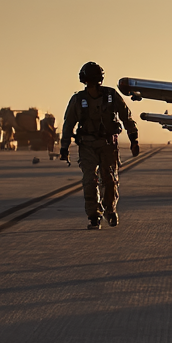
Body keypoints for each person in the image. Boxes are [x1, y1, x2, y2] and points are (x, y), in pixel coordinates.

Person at [60, 62, 139, 230]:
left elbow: (126, 117)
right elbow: (69, 124)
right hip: (87, 146)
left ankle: (110, 209)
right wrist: (64, 147)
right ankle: (94, 215)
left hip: (108, 145)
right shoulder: (78, 100)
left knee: (109, 180)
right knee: (90, 181)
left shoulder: (111, 96)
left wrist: (134, 139)